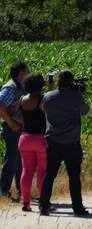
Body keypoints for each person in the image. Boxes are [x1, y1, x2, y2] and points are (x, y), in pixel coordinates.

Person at [39, 70, 90, 216]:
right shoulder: (75, 96)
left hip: (53, 141)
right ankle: (78, 208)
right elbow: (85, 111)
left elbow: (42, 108)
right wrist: (79, 94)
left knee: (49, 175)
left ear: (59, 81)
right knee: (74, 176)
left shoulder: (48, 96)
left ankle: (44, 206)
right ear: (71, 82)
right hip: (71, 142)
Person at [0, 61, 29, 199]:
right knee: (12, 161)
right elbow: (0, 105)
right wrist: (11, 123)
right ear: (21, 73)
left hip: (19, 129)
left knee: (20, 162)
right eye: (27, 72)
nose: (28, 74)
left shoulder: (20, 86)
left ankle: (21, 191)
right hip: (12, 130)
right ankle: (3, 192)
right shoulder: (11, 88)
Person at [18, 73, 46, 212]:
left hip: (24, 138)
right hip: (41, 139)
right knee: (42, 171)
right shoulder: (42, 100)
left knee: (26, 171)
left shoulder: (22, 99)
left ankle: (26, 202)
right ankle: (43, 202)